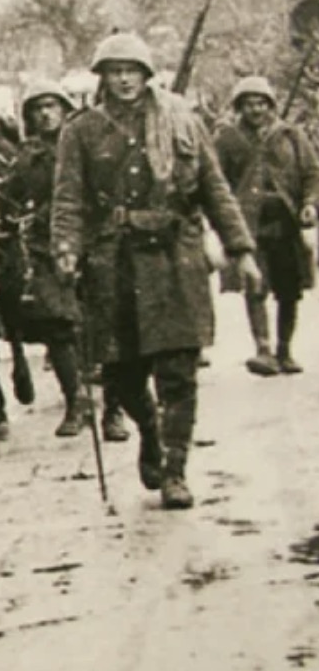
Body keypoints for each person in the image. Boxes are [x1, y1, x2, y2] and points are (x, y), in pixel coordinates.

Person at [51, 33, 260, 510]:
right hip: (114, 262)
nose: (124, 79)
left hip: (174, 258)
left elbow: (214, 188)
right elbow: (67, 198)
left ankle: (174, 468)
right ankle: (150, 428)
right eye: (114, 70)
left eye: (132, 70)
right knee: (121, 373)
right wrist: (66, 247)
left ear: (146, 74)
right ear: (101, 77)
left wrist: (241, 249)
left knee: (178, 371)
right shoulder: (81, 131)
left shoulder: (181, 120)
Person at [0, 80, 108, 439]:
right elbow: (10, 197)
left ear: (64, 109)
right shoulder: (28, 157)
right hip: (47, 248)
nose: (45, 114)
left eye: (51, 106)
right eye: (37, 108)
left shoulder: (87, 144)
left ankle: (115, 408)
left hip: (91, 242)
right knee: (57, 325)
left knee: (103, 319)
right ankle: (75, 401)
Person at [212, 75, 319, 376]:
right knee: (255, 285)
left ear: (271, 105)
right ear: (239, 107)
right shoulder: (228, 139)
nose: (256, 110)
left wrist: (310, 203)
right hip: (249, 225)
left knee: (289, 289)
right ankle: (263, 349)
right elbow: (216, 180)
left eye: (261, 103)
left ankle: (285, 350)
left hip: (286, 224)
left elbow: (312, 172)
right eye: (249, 104)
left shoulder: (291, 136)